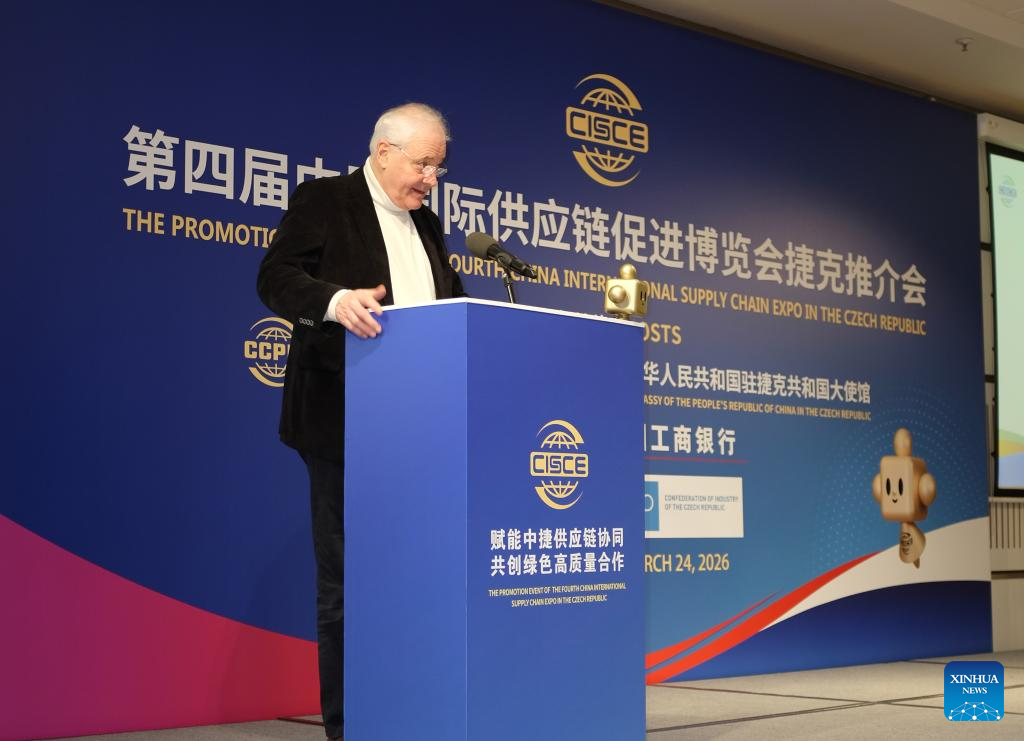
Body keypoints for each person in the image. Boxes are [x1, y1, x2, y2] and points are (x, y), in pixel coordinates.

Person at [257, 102, 466, 741]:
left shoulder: (427, 223)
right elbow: (275, 277)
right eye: (423, 163)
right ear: (382, 152)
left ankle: (414, 712)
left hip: (421, 431)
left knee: (416, 575)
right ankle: (352, 726)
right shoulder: (326, 200)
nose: (431, 178)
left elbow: (449, 307)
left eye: (439, 167)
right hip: (342, 420)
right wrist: (333, 300)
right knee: (347, 581)